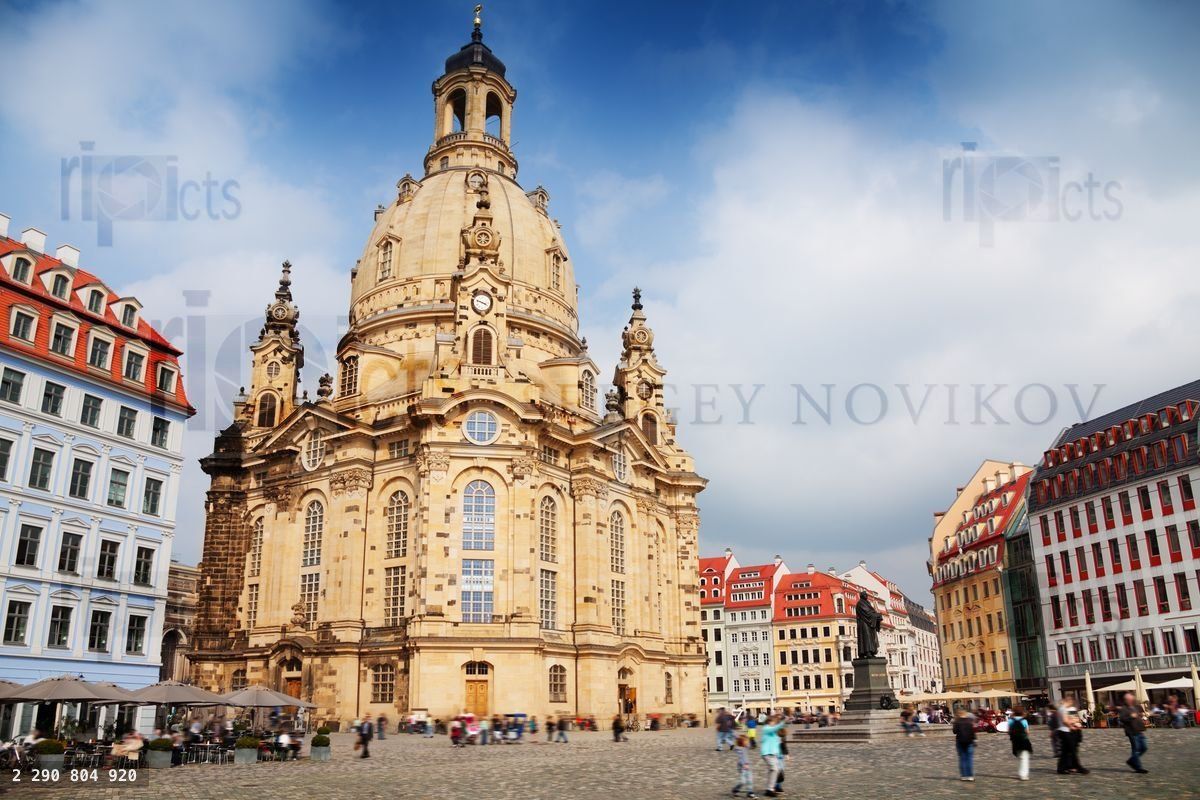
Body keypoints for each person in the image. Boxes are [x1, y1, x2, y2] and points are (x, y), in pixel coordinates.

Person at [1118, 692, 1149, 774]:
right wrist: (1131, 716)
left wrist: (1143, 715)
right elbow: (1122, 719)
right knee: (1136, 749)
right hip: (1132, 731)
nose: (1131, 700)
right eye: (1129, 699)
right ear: (1126, 700)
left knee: (1144, 747)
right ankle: (1138, 767)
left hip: (1139, 730)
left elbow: (1141, 714)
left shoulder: (1136, 706)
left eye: (1132, 698)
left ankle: (1132, 760)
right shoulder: (1124, 709)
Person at [1056, 696, 1088, 775]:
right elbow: (1065, 721)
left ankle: (1062, 768)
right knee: (1072, 750)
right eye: (1071, 702)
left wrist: (1074, 723)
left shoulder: (1061, 708)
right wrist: (1072, 726)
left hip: (1063, 731)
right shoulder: (1063, 709)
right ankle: (1077, 767)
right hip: (1065, 731)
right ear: (1069, 701)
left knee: (1065, 751)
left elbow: (1074, 718)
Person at [758, 714, 785, 796]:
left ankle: (770, 788)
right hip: (767, 753)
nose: (775, 723)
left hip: (774, 754)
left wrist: (779, 754)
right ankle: (770, 789)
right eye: (774, 722)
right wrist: (783, 722)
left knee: (774, 770)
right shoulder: (766, 728)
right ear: (769, 721)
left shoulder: (774, 733)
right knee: (774, 770)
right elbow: (775, 728)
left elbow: (777, 744)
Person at [1008, 706, 1032, 781]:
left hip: (1015, 741)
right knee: (1024, 758)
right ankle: (1023, 775)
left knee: (1020, 757)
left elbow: (1008, 731)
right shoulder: (1024, 720)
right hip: (1024, 741)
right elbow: (1027, 732)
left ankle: (1021, 773)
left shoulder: (1010, 720)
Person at [952, 709, 977, 782]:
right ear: (965, 714)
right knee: (969, 759)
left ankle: (964, 776)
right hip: (969, 742)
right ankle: (970, 776)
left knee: (962, 759)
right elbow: (972, 731)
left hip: (960, 741)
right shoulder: (970, 720)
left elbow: (954, 732)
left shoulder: (957, 721)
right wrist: (974, 740)